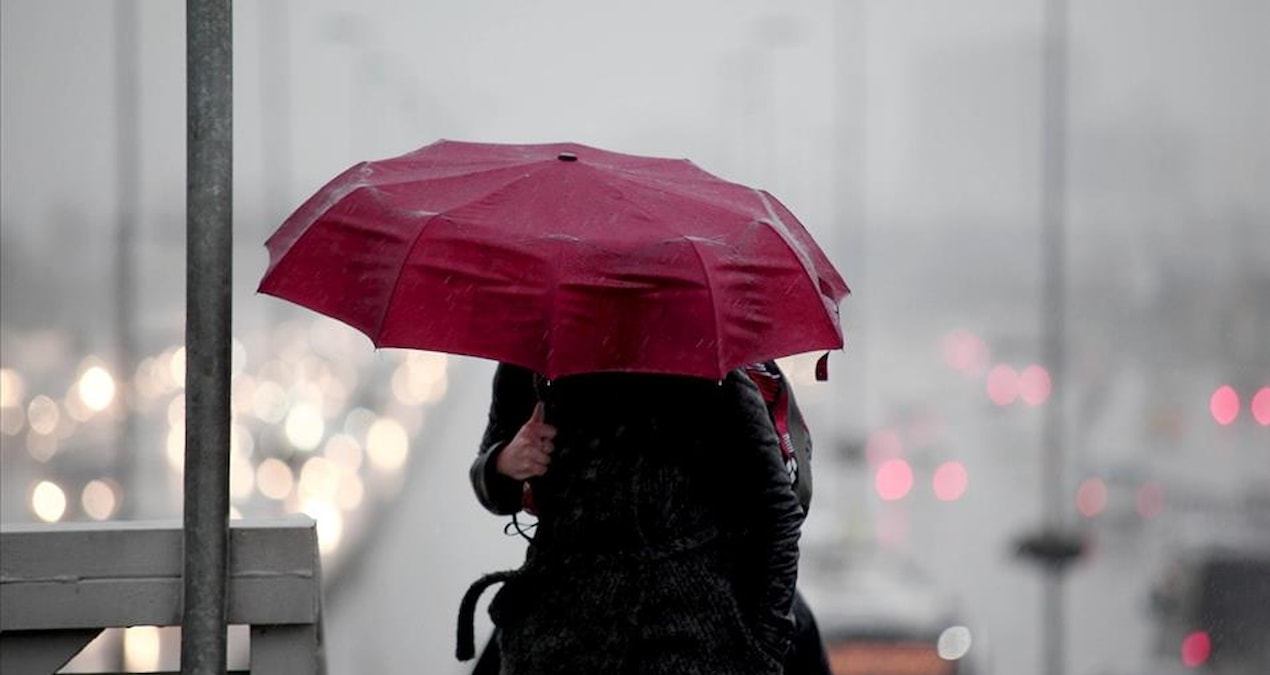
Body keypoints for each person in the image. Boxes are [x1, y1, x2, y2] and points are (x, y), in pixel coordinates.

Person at [457, 362, 803, 674]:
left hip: (685, 637)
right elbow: (492, 486)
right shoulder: (534, 351)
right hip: (555, 635)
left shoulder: (707, 362)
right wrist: (504, 462)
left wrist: (763, 651)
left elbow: (777, 510)